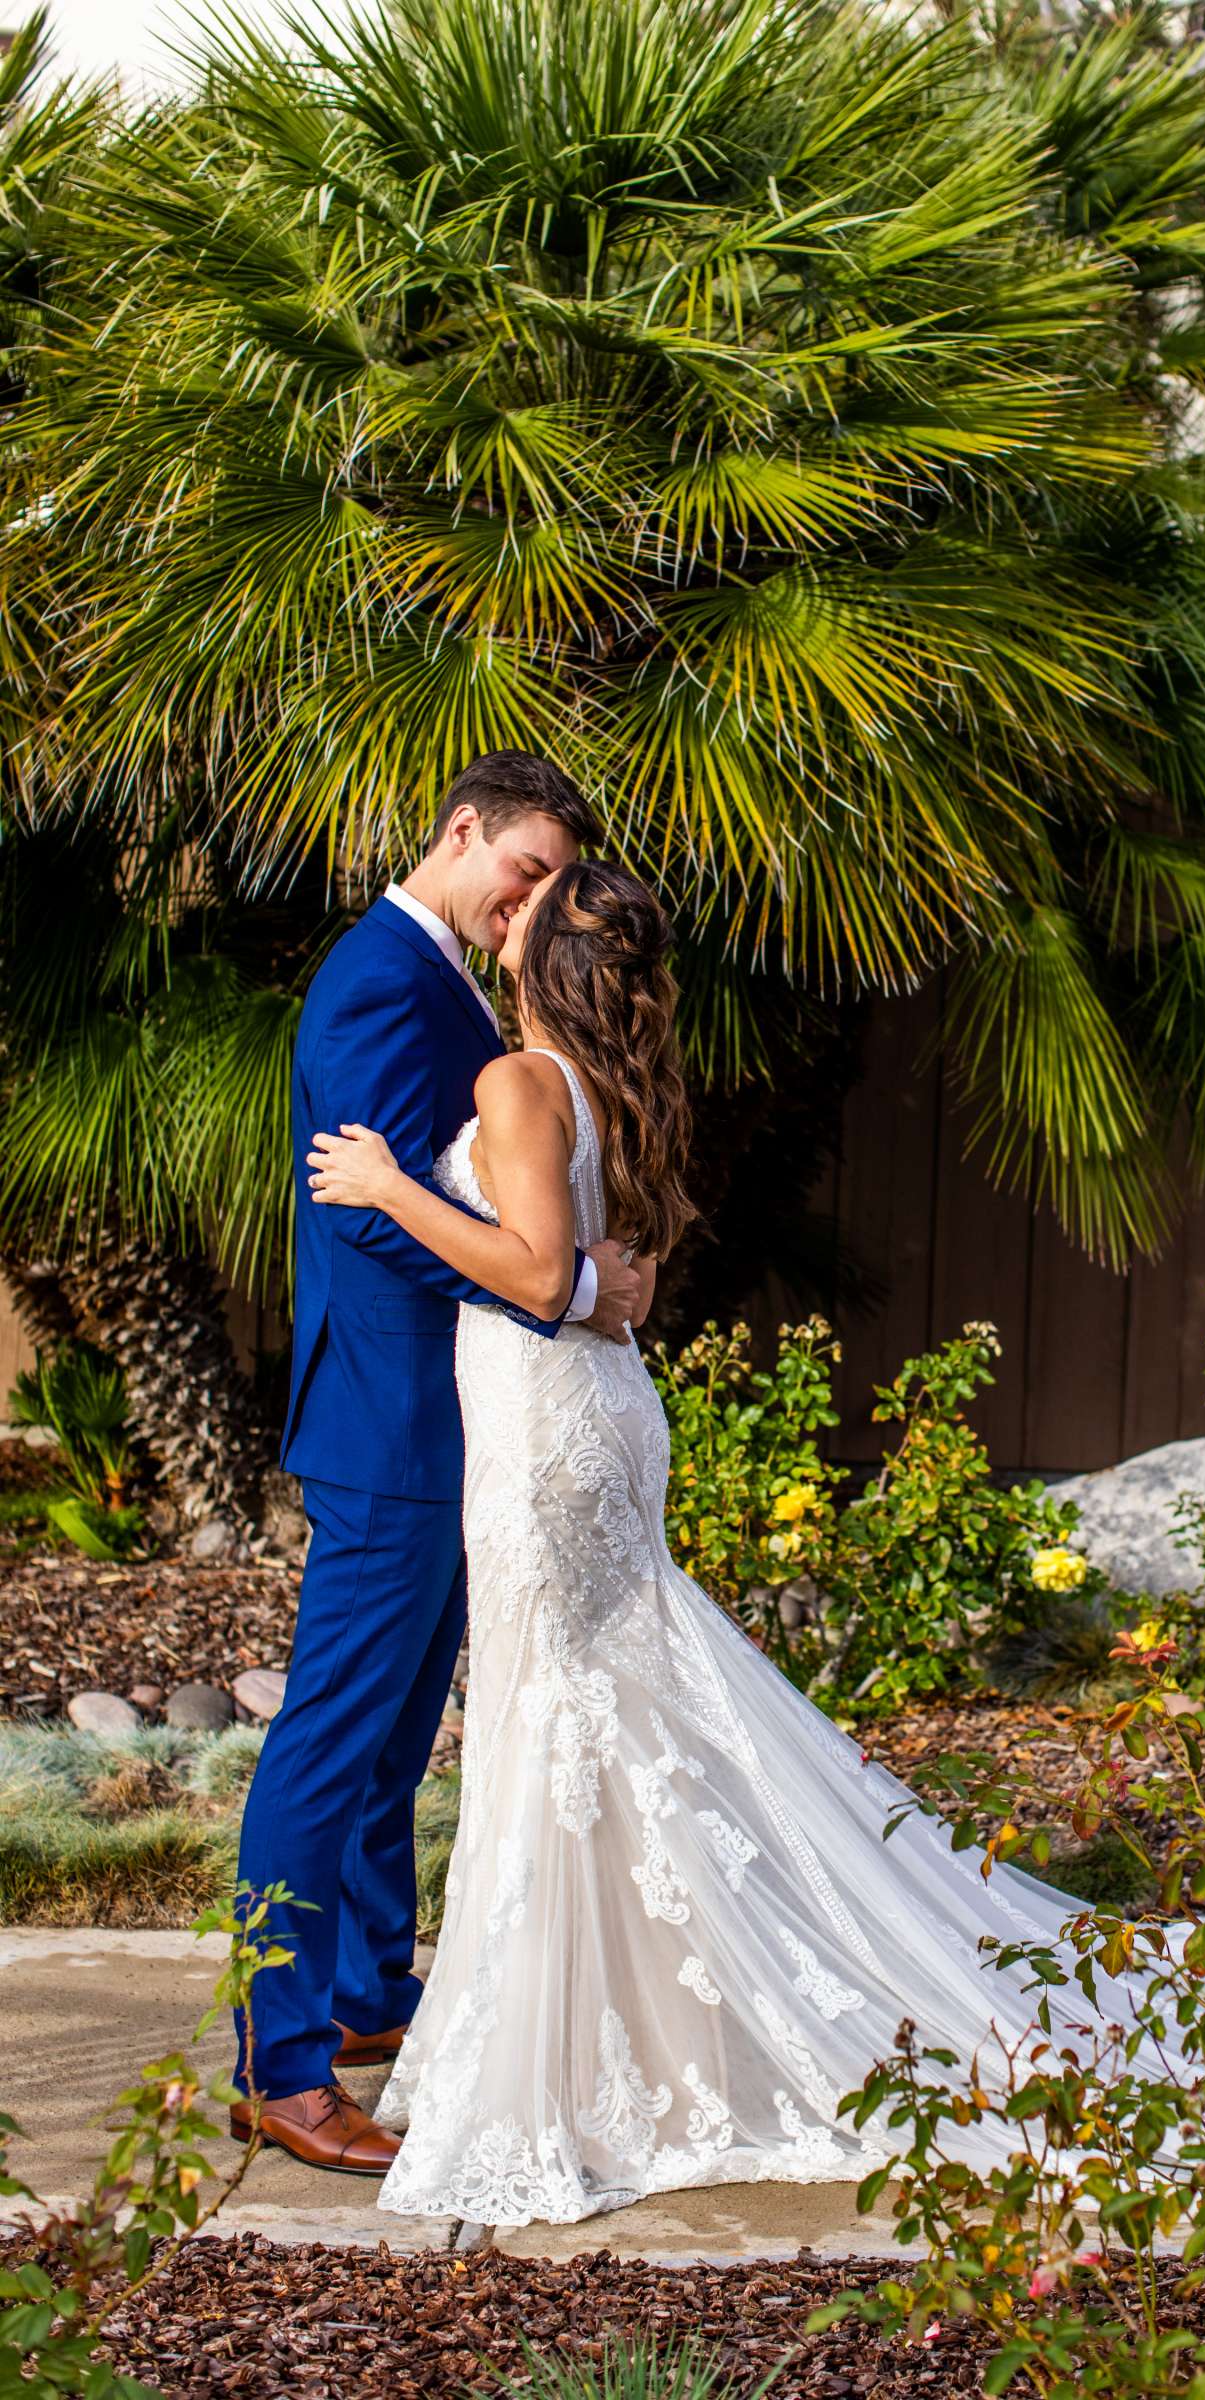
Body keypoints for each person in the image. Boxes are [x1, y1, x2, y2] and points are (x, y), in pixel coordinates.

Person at [303, 858, 1124, 2227]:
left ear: (542, 958)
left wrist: (389, 1187)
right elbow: (609, 1285)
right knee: (607, 1720)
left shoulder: (519, 1086)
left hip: (547, 1434)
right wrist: (589, 1289)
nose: (501, 919)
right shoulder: (616, 1090)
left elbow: (534, 1275)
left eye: (527, 906)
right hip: (594, 1418)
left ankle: (583, 2052)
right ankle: (633, 2021)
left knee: (559, 1720)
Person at [230, 755, 641, 2176]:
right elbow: (372, 1214)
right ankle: (277, 2065)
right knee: (335, 1740)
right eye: (522, 868)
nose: (532, 903)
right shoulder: (374, 979)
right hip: (394, 1422)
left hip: (458, 1417)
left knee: (396, 1742)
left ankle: (366, 1998)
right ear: (460, 830)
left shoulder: (449, 980)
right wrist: (571, 1283)